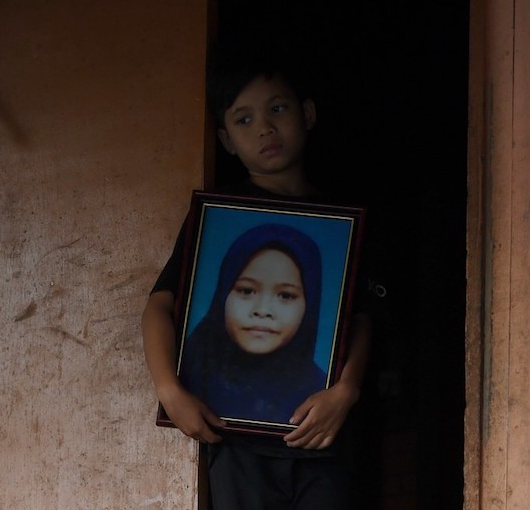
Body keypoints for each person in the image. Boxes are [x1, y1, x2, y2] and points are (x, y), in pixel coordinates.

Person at [141, 37, 380, 509]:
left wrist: (346, 390)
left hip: (321, 436)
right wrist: (170, 389)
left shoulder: (341, 225)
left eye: (277, 109)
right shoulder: (218, 220)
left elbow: (363, 317)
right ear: (226, 140)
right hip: (236, 442)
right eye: (244, 119)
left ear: (307, 114)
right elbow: (160, 304)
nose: (265, 129)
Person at [180, 223, 329, 426]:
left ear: (309, 306)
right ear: (223, 295)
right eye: (247, 291)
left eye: (286, 295)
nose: (263, 309)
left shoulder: (323, 398)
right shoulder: (183, 377)